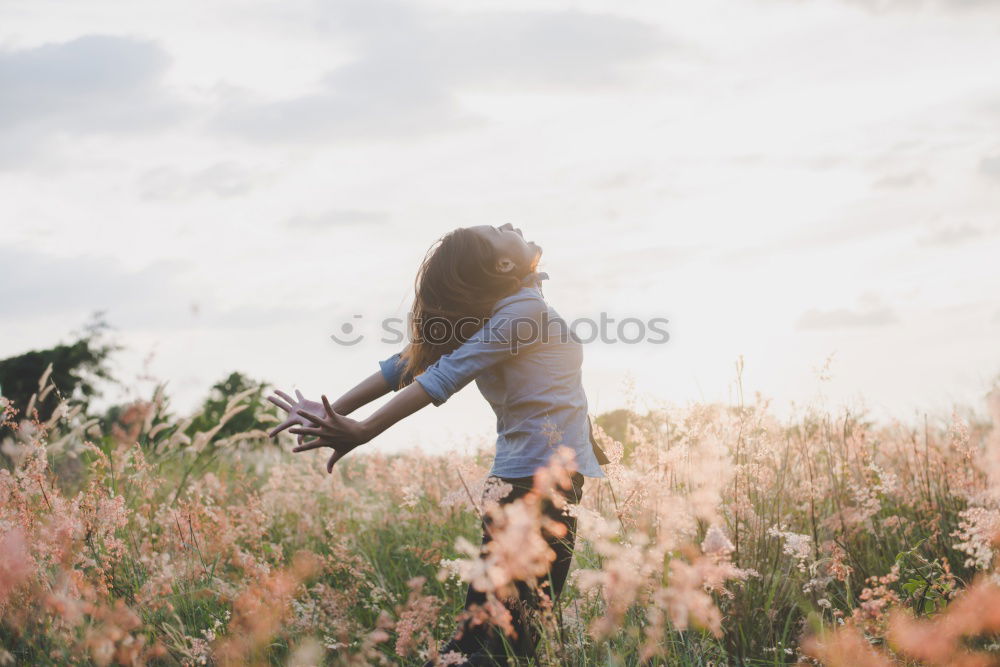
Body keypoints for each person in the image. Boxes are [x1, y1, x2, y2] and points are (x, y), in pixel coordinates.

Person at [267, 223, 608, 665]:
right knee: (509, 642)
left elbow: (408, 363)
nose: (508, 225)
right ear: (504, 264)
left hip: (524, 483)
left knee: (481, 637)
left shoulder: (508, 307)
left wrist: (340, 407)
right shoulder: (522, 311)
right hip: (538, 487)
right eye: (497, 231)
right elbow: (439, 372)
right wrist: (361, 427)